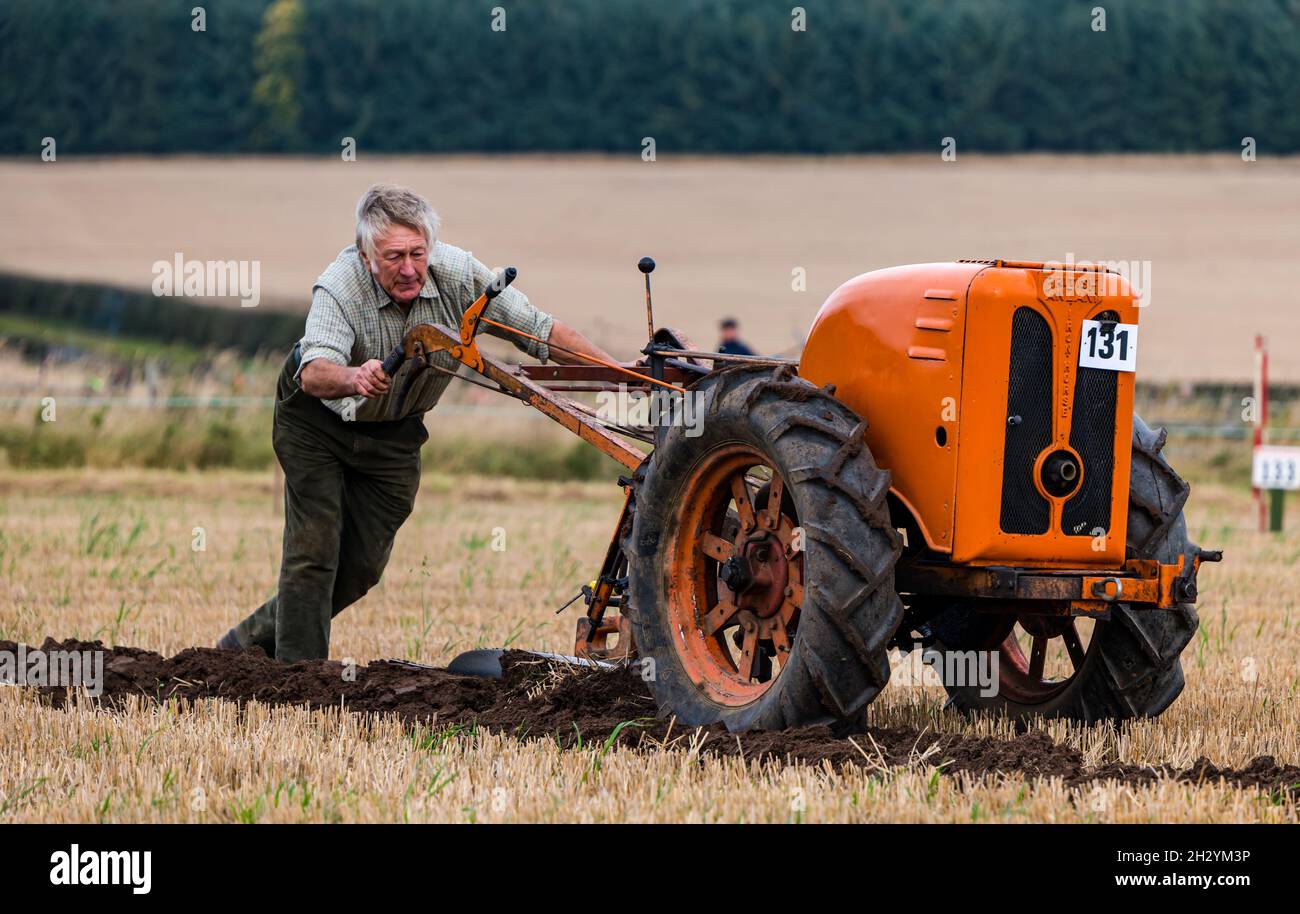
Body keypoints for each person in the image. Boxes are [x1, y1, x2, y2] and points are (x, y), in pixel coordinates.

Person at [218, 183, 615, 662]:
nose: (408, 269)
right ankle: (303, 684)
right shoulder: (339, 287)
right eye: (393, 257)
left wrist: (622, 377)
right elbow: (313, 372)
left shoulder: (460, 274)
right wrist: (353, 376)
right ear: (366, 256)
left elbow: (541, 332)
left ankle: (244, 644)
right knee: (315, 553)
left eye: (417, 253)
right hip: (317, 425)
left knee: (361, 569)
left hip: (395, 431)